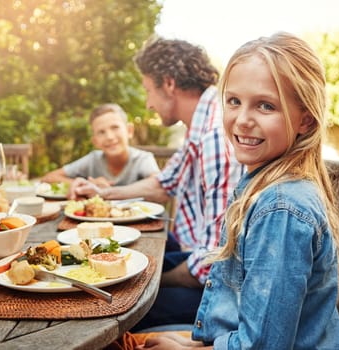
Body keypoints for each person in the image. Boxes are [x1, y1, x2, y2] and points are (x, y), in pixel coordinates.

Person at [108, 32, 339, 349]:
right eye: (234, 101)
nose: (241, 121)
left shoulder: (280, 210)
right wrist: (192, 345)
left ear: (305, 120)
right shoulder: (260, 184)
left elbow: (264, 346)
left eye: (265, 106)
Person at [71, 38, 244, 329]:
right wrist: (105, 193)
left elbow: (215, 261)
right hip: (200, 257)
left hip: (224, 290)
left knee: (110, 308)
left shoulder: (216, 136)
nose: (149, 102)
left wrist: (153, 284)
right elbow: (165, 183)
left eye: (148, 90)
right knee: (112, 269)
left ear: (169, 83)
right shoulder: (199, 126)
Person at [41, 103, 160, 189]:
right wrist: (83, 184)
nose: (109, 136)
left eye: (115, 128)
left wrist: (109, 192)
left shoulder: (143, 159)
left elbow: (158, 184)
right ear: (95, 141)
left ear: (129, 131)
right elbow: (49, 178)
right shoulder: (93, 159)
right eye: (101, 132)